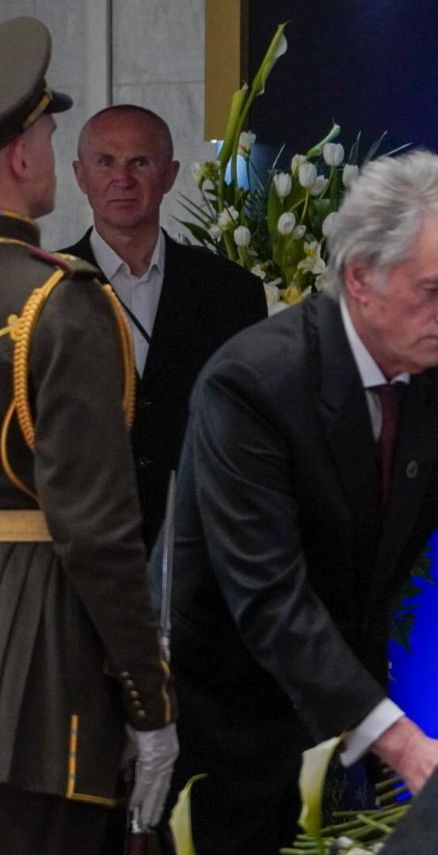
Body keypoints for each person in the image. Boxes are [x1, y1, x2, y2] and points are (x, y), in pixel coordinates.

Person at [161, 149, 438, 854]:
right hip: (225, 717)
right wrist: (404, 745)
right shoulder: (253, 381)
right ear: (361, 278)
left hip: (349, 707)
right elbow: (269, 598)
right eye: (434, 290)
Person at [0, 16, 177, 854]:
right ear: (19, 157)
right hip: (35, 677)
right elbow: (98, 531)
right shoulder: (57, 300)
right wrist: (150, 702)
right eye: (46, 133)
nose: (48, 149)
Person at [60, 105, 267, 550]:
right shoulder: (45, 287)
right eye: (105, 162)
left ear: (170, 175)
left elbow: (250, 425)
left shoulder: (232, 291)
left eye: (140, 162)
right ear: (80, 175)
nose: (122, 179)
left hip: (198, 541)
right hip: (78, 543)